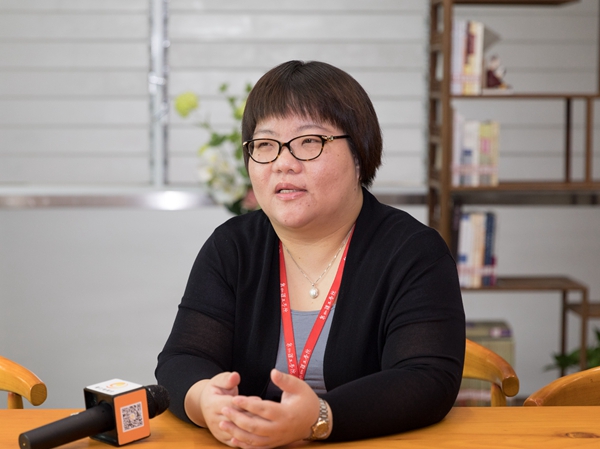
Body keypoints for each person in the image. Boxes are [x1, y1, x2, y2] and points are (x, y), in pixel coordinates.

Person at [156, 60, 465, 448]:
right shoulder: (232, 247)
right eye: (265, 145)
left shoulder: (413, 252)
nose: (283, 163)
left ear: (359, 155)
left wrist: (318, 418)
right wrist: (207, 401)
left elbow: (426, 378)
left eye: (309, 142)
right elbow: (182, 358)